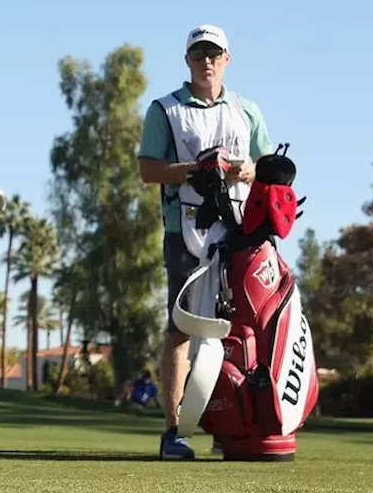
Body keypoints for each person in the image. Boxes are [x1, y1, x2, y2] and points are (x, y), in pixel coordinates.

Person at [137, 24, 274, 460]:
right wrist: (194, 170)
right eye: (199, 54)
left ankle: (229, 423)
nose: (206, 61)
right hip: (185, 229)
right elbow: (149, 170)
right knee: (181, 329)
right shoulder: (165, 109)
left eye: (214, 53)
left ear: (227, 59)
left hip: (238, 230)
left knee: (239, 330)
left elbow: (264, 166)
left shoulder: (245, 109)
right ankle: (174, 430)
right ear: (188, 60)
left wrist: (240, 170)